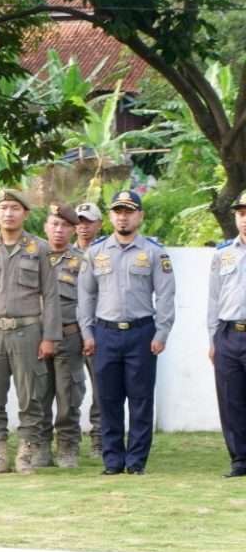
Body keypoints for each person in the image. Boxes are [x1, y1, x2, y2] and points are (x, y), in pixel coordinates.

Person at [77, 189, 176, 475]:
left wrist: (161, 334)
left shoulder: (155, 253)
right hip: (105, 334)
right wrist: (88, 334)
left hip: (141, 333)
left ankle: (135, 463)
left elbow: (167, 296)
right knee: (108, 400)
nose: (123, 217)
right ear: (110, 216)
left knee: (141, 401)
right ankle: (112, 461)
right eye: (118, 212)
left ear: (140, 216)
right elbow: (86, 297)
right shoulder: (95, 253)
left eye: (129, 212)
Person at [0, 189, 61, 474]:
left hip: (28, 331)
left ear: (26, 214)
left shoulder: (39, 249)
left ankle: (25, 455)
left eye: (15, 208)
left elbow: (52, 295)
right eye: (4, 207)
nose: (8, 213)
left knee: (31, 396)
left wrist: (49, 337)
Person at [37, 203, 88, 469]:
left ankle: (67, 445)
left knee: (68, 395)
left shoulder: (82, 261)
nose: (59, 230)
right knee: (38, 394)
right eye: (54, 224)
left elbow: (89, 301)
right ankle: (41, 445)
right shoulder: (33, 257)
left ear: (73, 230)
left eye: (65, 226)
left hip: (69, 336)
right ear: (45, 227)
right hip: (35, 337)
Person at [209, 190, 246, 477]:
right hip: (229, 333)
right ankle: (239, 460)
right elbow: (214, 299)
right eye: (241, 213)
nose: (245, 220)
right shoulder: (224, 254)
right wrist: (213, 338)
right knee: (230, 400)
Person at [74, 201, 105, 446]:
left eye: (89, 222)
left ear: (100, 225)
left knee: (102, 388)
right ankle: (68, 439)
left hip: (98, 329)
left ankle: (99, 438)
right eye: (80, 222)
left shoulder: (106, 252)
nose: (84, 227)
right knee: (68, 389)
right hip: (67, 329)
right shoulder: (62, 252)